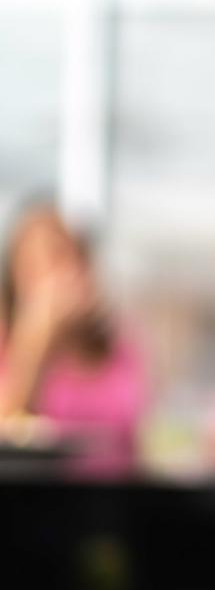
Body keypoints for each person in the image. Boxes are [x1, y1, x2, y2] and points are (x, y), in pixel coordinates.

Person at [0, 200, 145, 470]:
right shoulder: (7, 341)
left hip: (107, 495)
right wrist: (34, 344)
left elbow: (132, 432)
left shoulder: (119, 342)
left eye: (57, 257)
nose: (47, 278)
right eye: (31, 265)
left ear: (82, 263)